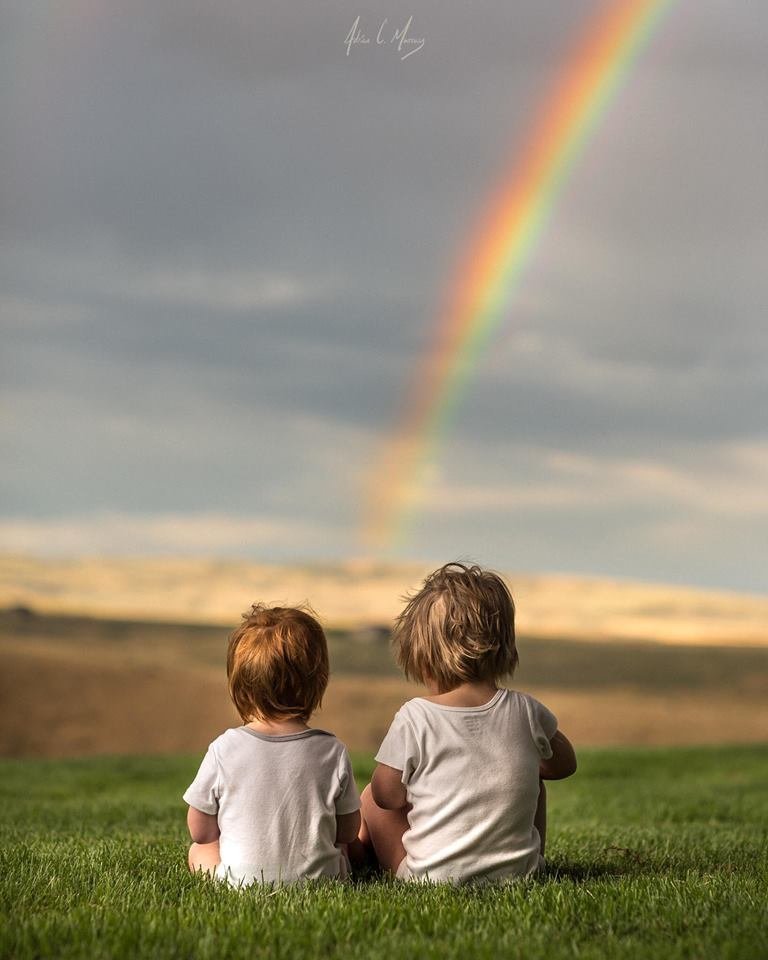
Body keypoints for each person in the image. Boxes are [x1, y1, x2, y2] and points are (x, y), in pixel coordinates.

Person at [357, 561, 576, 883]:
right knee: (537, 781)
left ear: (424, 658)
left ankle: (369, 862)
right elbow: (564, 765)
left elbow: (386, 796)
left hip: (431, 879)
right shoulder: (527, 711)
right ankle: (525, 862)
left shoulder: (416, 717)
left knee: (369, 798)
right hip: (521, 876)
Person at [183, 603, 361, 887]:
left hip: (242, 884)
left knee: (199, 851)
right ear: (318, 682)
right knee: (343, 850)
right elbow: (348, 831)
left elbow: (200, 832)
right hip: (322, 883)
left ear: (240, 686)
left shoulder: (224, 749)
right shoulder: (333, 751)